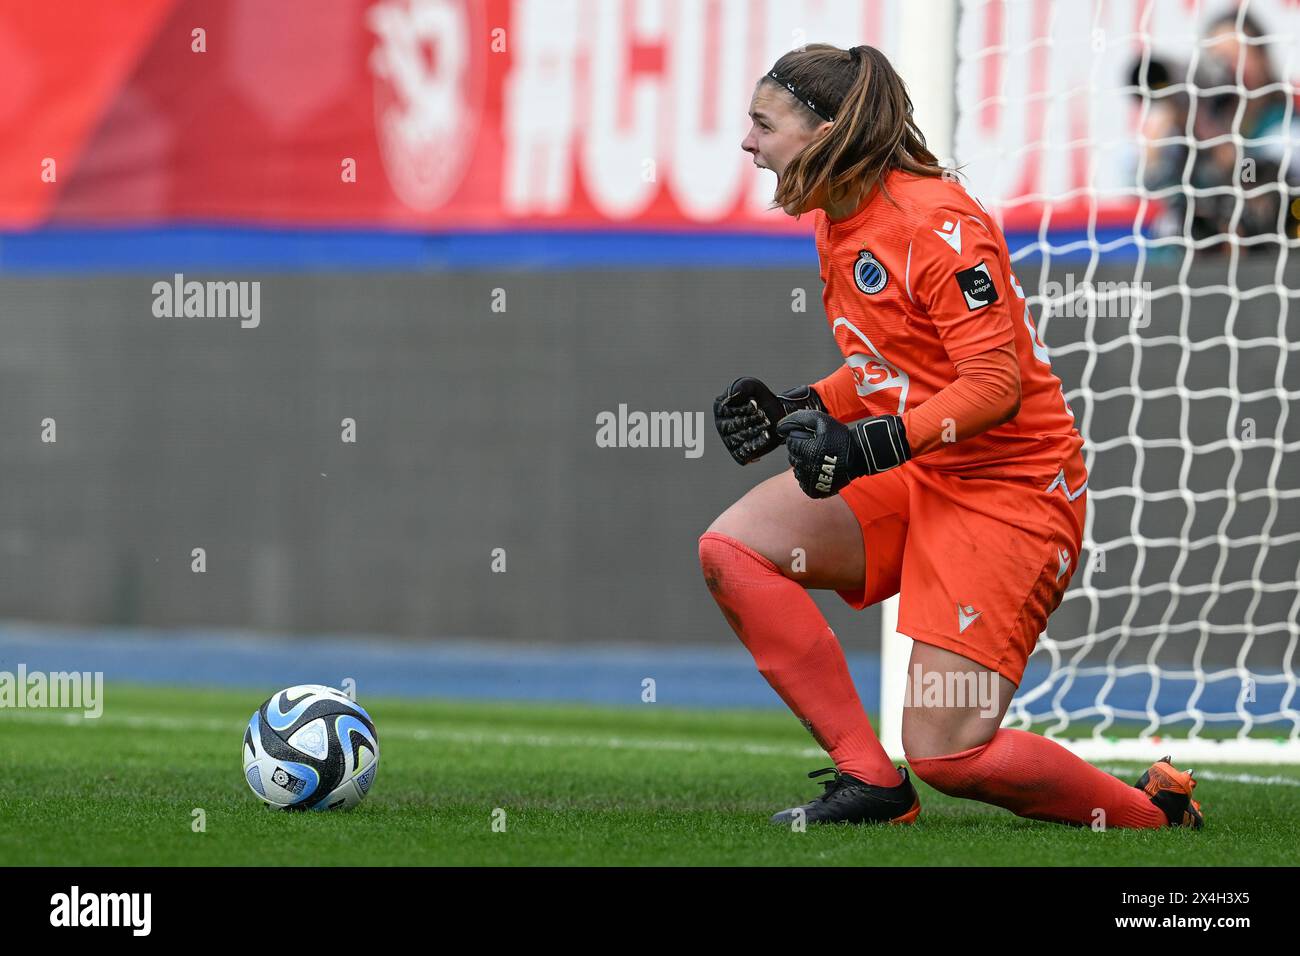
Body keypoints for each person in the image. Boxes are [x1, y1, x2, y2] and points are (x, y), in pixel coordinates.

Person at [699, 43, 1202, 829]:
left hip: (1011, 494)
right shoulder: (839, 216)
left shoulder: (936, 222)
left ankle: (1156, 813)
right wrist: (800, 403)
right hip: (925, 468)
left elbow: (994, 386)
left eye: (763, 124)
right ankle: (871, 784)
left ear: (826, 132)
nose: (747, 142)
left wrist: (866, 446)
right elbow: (889, 368)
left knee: (950, 756)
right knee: (734, 551)